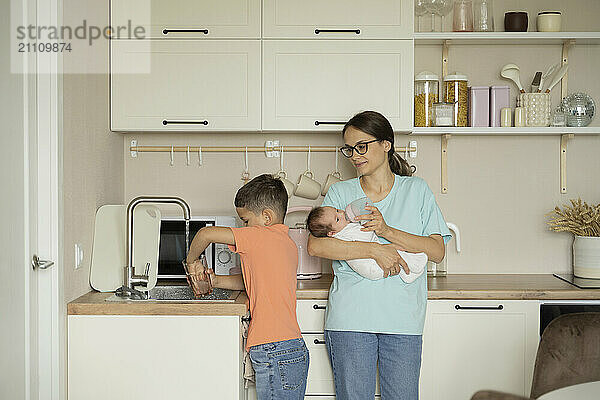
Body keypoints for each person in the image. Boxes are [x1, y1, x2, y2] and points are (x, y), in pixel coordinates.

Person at [307, 111, 452, 400]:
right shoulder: (340, 192)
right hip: (351, 320)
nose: (354, 156)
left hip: (403, 320)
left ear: (386, 144)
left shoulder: (416, 190)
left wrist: (386, 231)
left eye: (362, 146)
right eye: (349, 149)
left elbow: (437, 251)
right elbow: (317, 246)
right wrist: (374, 249)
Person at [186, 174, 309, 400]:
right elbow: (256, 281)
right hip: (292, 348)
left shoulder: (258, 236)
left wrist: (192, 261)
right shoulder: (288, 243)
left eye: (245, 221)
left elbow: (205, 234)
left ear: (266, 217)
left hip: (273, 349)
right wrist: (216, 281)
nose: (243, 227)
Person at [306, 205, 427, 282]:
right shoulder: (343, 233)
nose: (342, 214)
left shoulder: (342, 227)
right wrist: (366, 225)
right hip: (370, 268)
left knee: (395, 253)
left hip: (372, 265)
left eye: (337, 210)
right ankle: (413, 266)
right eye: (337, 219)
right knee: (395, 255)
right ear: (331, 233)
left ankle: (408, 272)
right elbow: (365, 235)